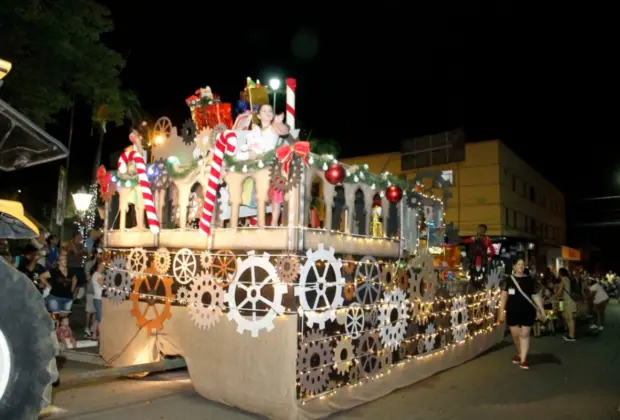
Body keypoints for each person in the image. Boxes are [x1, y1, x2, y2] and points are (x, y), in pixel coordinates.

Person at [241, 104, 289, 227]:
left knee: (275, 191)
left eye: (270, 111)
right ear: (258, 115)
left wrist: (279, 123)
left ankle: (274, 223)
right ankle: (254, 220)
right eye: (264, 110)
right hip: (255, 165)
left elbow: (285, 131)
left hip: (270, 163)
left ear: (273, 115)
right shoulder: (255, 130)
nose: (268, 113)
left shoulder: (273, 127)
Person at [499, 258, 546, 369]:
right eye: (518, 264)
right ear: (514, 266)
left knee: (524, 335)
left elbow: (535, 296)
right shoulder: (508, 280)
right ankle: (520, 354)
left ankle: (523, 360)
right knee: (515, 335)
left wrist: (542, 309)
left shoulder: (530, 280)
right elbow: (503, 297)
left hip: (527, 311)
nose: (521, 266)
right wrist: (501, 311)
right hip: (512, 311)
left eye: (522, 264)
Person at [557, 267, 577, 341]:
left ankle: (571, 336)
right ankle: (570, 334)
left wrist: (556, 294)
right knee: (570, 318)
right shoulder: (568, 279)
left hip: (568, 301)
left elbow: (559, 292)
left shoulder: (563, 280)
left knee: (570, 318)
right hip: (571, 301)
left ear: (560, 273)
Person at [67, 231, 88, 301]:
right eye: (79, 236)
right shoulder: (70, 243)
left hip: (79, 266)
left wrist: (81, 252)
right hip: (72, 266)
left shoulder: (81, 245)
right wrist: (81, 252)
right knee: (71, 283)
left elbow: (86, 254)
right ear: (75, 236)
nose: (80, 237)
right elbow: (75, 253)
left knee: (79, 284)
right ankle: (69, 297)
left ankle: (74, 298)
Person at [89, 260, 105, 340]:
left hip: (97, 298)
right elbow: (102, 284)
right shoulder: (97, 275)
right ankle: (98, 334)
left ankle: (94, 333)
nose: (104, 266)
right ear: (99, 266)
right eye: (103, 265)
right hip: (98, 298)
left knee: (98, 318)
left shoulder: (98, 274)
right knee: (100, 318)